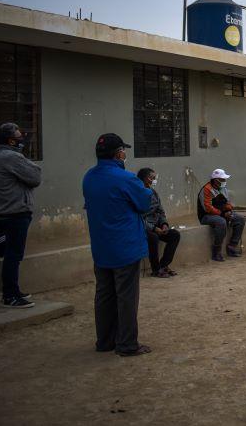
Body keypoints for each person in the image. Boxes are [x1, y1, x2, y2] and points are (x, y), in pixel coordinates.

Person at [83, 133, 152, 356]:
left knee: (104, 295)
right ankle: (127, 344)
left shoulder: (89, 177)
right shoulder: (125, 178)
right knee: (126, 297)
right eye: (123, 150)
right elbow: (144, 203)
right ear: (118, 153)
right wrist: (147, 189)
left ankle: (104, 341)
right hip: (125, 245)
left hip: (101, 246)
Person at [0, 122, 41, 308]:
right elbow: (35, 176)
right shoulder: (10, 157)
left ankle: (13, 290)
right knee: (13, 255)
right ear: (11, 140)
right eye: (19, 136)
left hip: (11, 212)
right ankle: (10, 295)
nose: (22, 139)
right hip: (15, 212)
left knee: (13, 254)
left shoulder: (3, 156)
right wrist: (29, 165)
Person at [137, 168, 180, 278]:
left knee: (174, 235)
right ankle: (155, 269)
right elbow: (139, 217)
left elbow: (160, 211)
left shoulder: (154, 192)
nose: (154, 180)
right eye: (153, 178)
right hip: (143, 227)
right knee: (153, 237)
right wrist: (154, 229)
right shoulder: (137, 194)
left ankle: (163, 265)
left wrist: (164, 224)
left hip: (157, 225)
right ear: (146, 179)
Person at [198, 169, 246, 261]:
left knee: (240, 219)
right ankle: (216, 250)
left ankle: (232, 246)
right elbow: (207, 208)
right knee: (221, 222)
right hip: (206, 216)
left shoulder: (223, 189)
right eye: (223, 179)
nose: (224, 181)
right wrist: (223, 214)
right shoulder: (206, 189)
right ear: (216, 180)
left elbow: (227, 203)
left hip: (221, 213)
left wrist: (228, 210)